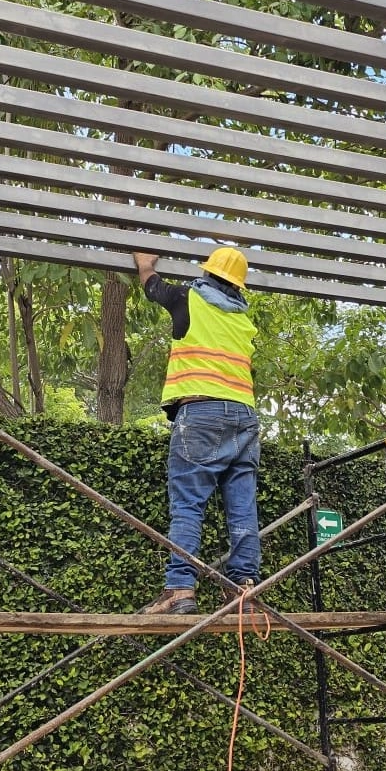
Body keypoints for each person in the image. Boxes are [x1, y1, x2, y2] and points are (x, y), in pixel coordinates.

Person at [133, 246, 261, 614]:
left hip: (202, 411)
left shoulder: (189, 298)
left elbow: (154, 288)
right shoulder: (244, 321)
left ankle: (180, 589)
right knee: (242, 509)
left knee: (188, 505)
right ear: (238, 285)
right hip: (244, 417)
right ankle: (244, 591)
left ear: (207, 274)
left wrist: (144, 265)